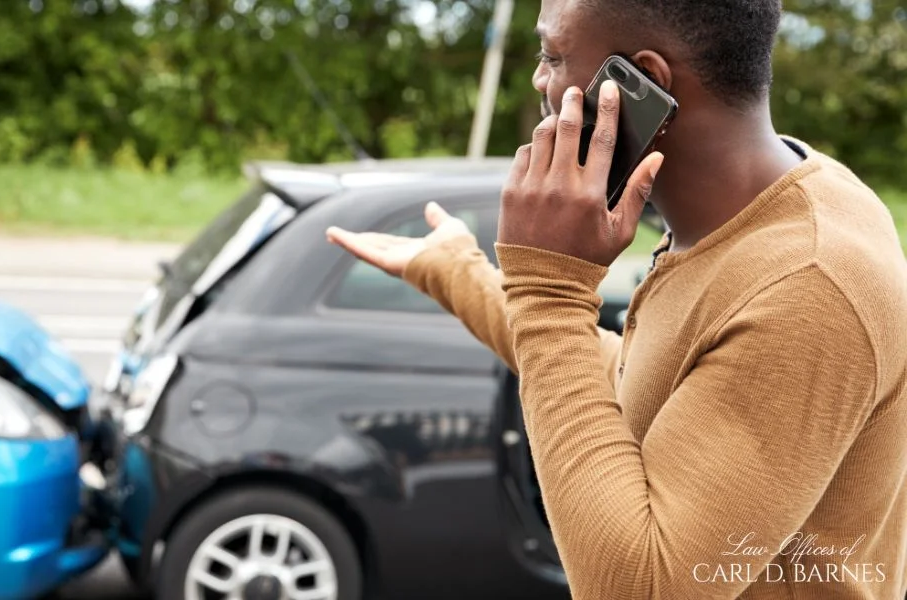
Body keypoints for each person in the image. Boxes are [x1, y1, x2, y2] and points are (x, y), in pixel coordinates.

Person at [325, 0, 907, 598]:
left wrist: (551, 288)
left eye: (553, 56)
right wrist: (457, 272)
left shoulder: (809, 281)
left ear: (643, 83)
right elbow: (647, 385)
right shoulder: (783, 205)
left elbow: (638, 587)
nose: (539, 79)